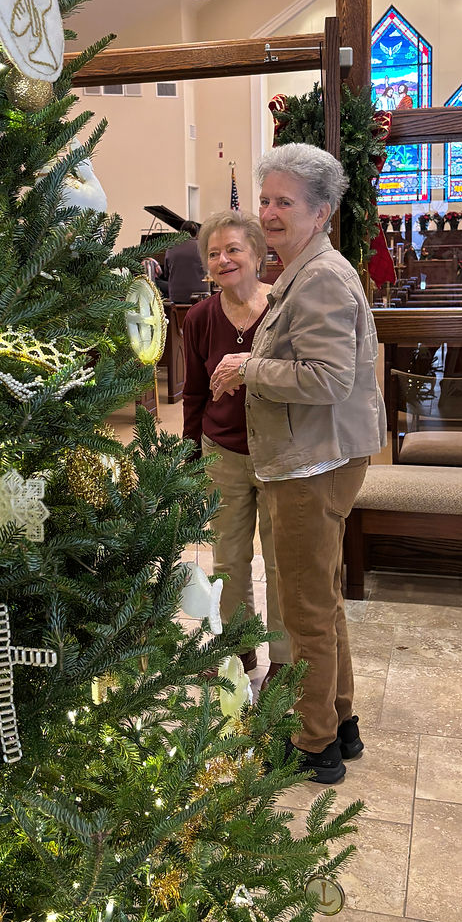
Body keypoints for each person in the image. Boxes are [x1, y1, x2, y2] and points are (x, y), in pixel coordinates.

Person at [210, 145, 386, 784]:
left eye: (285, 202)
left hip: (314, 462)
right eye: (265, 200)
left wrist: (248, 367)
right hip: (312, 456)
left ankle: (310, 744)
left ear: (322, 212)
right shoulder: (302, 271)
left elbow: (331, 378)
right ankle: (338, 719)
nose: (269, 213)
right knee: (323, 597)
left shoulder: (320, 279)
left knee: (306, 605)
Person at [182, 209, 289, 680]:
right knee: (228, 559)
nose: (223, 259)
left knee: (283, 561)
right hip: (221, 452)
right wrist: (189, 451)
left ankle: (285, 664)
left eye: (233, 249)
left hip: (279, 453)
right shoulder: (201, 317)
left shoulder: (283, 310)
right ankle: (238, 651)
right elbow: (194, 392)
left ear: (258, 255)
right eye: (213, 253)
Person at [162, 220, 208, 303]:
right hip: (200, 296)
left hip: (176, 297)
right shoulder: (202, 246)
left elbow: (166, 274)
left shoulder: (170, 247)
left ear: (180, 233)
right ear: (197, 234)